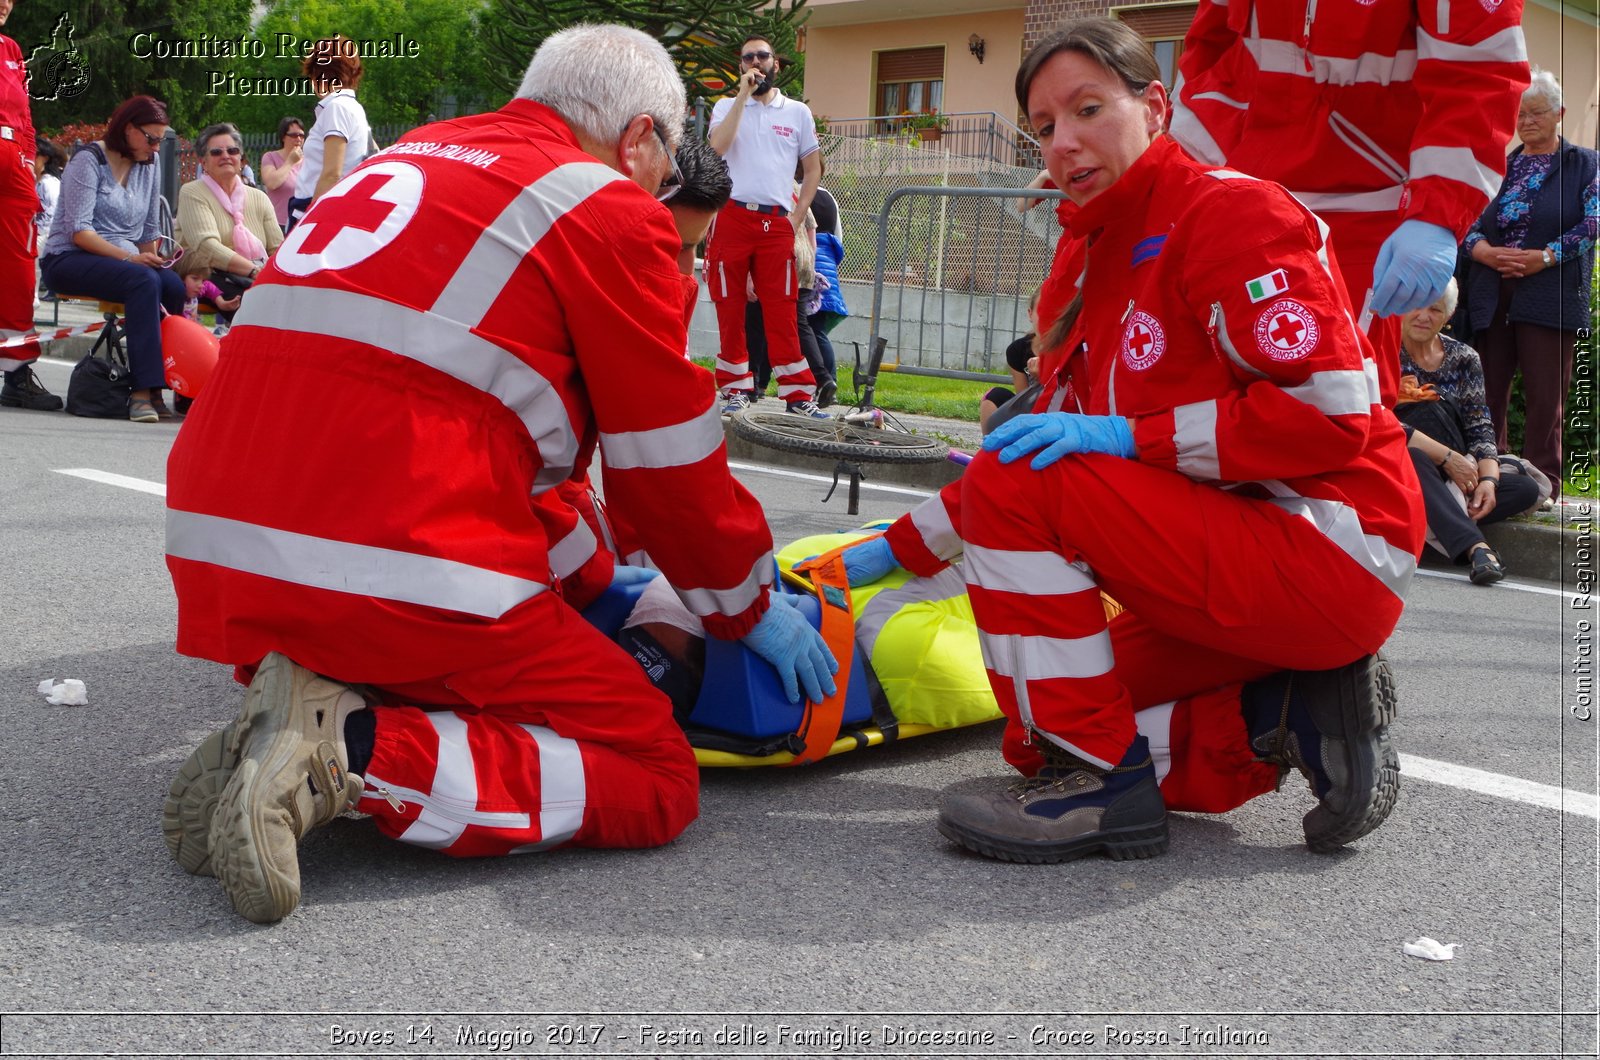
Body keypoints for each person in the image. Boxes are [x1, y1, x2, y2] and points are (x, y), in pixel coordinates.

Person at [160, 24, 835, 925]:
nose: (658, 195)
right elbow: (666, 471)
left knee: (525, 588)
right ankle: (352, 754)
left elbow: (481, 427)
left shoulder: (404, 160)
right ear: (638, 139)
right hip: (378, 568)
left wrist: (598, 573)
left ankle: (306, 706)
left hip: (226, 561)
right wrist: (746, 605)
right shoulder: (605, 204)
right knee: (656, 776)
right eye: (661, 164)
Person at [837, 19, 1424, 865]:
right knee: (1040, 731)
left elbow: (1328, 415)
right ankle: (1283, 715)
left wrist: (1126, 435)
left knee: (1023, 511)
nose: (1065, 141)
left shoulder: (1231, 213)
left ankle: (1105, 792)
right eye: (1044, 127)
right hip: (1235, 553)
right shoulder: (1090, 262)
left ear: (1156, 106)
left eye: (1087, 109)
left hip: (1328, 547)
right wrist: (892, 551)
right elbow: (1048, 452)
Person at [1169, 0, 1529, 406]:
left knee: (1340, 405)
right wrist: (1184, 164)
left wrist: (1439, 214)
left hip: (1361, 211)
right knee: (1210, 385)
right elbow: (1211, 47)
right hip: (1237, 193)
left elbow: (1479, 72)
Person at [1464, 67, 1598, 498]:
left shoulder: (1586, 164)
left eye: (1536, 113)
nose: (1526, 122)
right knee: (1487, 387)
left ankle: (1544, 483)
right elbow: (1464, 217)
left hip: (1550, 290)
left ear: (1559, 113)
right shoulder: (1498, 167)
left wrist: (1546, 256)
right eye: (1519, 115)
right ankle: (1492, 475)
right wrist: (1481, 250)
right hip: (1492, 289)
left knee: (1545, 395)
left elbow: (1594, 223)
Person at [39, 95, 186, 424]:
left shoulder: (149, 165)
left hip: (123, 262)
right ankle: (140, 392)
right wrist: (132, 260)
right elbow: (79, 231)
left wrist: (155, 261)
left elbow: (149, 229)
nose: (155, 147)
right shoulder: (88, 160)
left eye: (160, 141)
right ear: (128, 129)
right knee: (142, 280)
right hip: (69, 258)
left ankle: (161, 388)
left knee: (172, 286)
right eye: (151, 139)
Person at [706, 35, 826, 419]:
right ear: (740, 65)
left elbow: (812, 169)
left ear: (776, 63)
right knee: (730, 306)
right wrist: (742, 97)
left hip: (777, 221)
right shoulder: (725, 106)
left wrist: (796, 217)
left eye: (763, 56)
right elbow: (716, 150)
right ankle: (735, 388)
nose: (756, 62)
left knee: (783, 308)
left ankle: (797, 395)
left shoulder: (796, 113)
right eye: (748, 58)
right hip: (732, 216)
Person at [1396, 279, 1543, 585]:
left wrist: (1487, 481)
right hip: (1401, 466)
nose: (1424, 316)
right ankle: (1475, 547)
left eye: (1435, 309)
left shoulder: (1464, 358)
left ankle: (1430, 526)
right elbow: (1381, 421)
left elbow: (1480, 427)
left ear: (1448, 315)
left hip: (1455, 474)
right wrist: (1449, 458)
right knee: (1412, 459)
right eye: (1416, 306)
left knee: (1523, 489)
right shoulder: (1382, 351)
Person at [0, 0, 56, 412]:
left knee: (19, 268)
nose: (5, 3)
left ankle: (17, 373)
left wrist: (28, 158)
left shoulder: (13, 50)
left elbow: (27, 115)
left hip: (14, 167)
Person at [175, 123, 283, 313]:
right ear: (203, 162)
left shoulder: (259, 197)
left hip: (256, 272)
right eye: (216, 152)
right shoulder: (192, 192)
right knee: (257, 301)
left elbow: (277, 248)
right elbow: (207, 248)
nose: (226, 156)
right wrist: (253, 270)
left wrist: (276, 274)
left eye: (232, 150)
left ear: (240, 158)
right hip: (207, 272)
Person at [285, 36, 372, 230]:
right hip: (333, 204)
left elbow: (332, 173)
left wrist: (308, 222)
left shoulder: (336, 108)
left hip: (315, 205)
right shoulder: (354, 108)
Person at [258, 116, 305, 233]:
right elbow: (271, 183)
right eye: (294, 135)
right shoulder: (270, 157)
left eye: (301, 135)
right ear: (283, 137)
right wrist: (290, 162)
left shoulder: (309, 161)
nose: (298, 139)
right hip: (278, 224)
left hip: (301, 223)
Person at [33, 136, 65, 304]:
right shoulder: (41, 182)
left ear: (44, 158)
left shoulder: (47, 184)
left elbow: (49, 216)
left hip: (42, 236)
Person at [176, 254, 240, 323]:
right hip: (182, 327)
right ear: (180, 276)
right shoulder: (173, 297)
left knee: (222, 322)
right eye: (195, 278)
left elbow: (208, 286)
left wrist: (222, 303)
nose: (201, 285)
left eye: (202, 280)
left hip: (195, 320)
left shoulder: (196, 289)